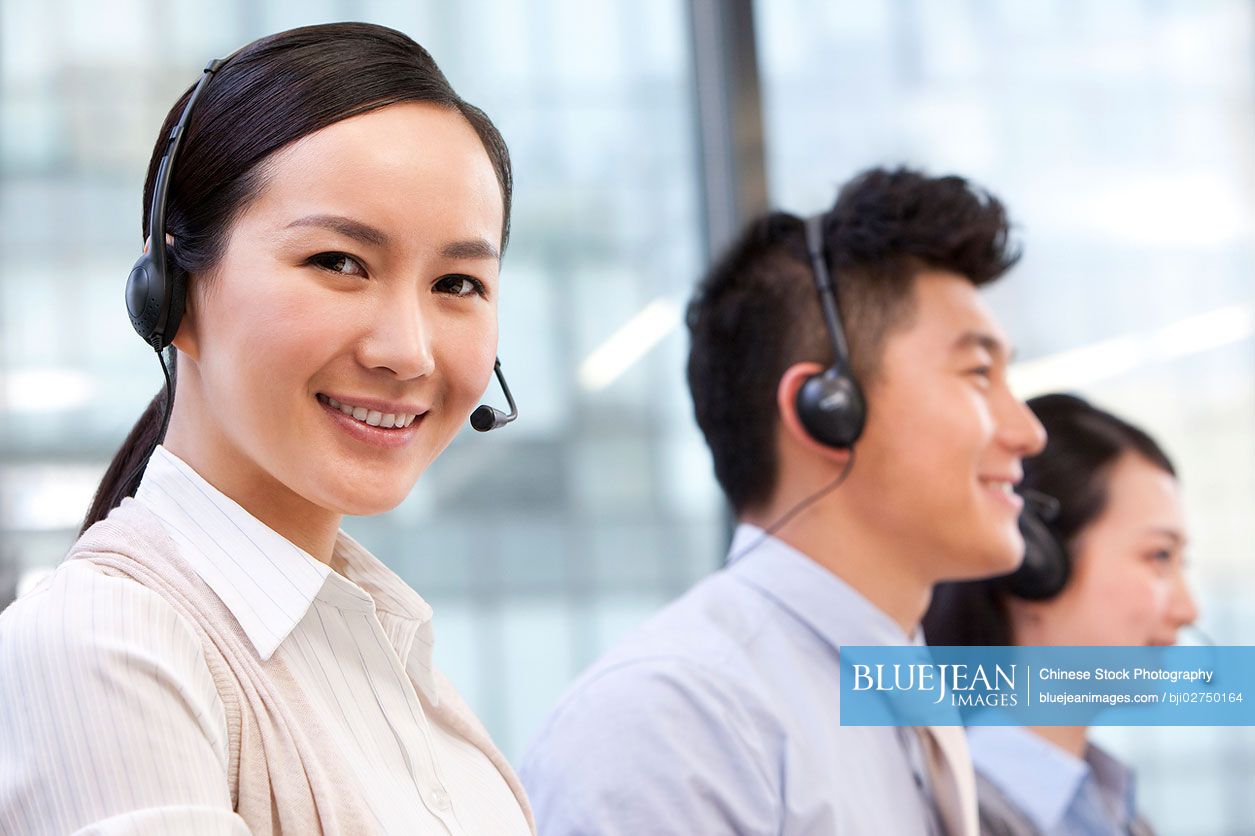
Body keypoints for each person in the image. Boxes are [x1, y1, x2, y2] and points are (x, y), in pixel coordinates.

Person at [0, 22, 532, 835]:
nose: (407, 351)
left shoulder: (385, 649)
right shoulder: (108, 643)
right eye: (338, 263)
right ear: (172, 291)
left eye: (457, 282)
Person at [520, 167, 1047, 835]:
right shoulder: (673, 724)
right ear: (827, 408)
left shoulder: (899, 691)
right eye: (977, 374)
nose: (1028, 431)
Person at [923, 393, 1199, 836]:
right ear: (1035, 562)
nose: (1189, 610)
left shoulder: (1117, 812)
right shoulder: (934, 814)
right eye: (1158, 556)